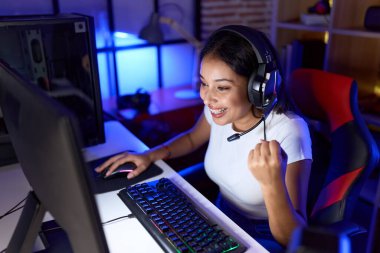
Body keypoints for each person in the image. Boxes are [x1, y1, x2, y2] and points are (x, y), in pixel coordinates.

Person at [96, 25, 312, 252]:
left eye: (222, 87)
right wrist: (150, 155)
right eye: (204, 83)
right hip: (220, 216)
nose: (207, 98)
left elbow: (293, 239)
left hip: (265, 235)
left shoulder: (290, 131)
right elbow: (191, 139)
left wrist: (271, 184)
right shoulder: (219, 110)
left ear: (259, 87)